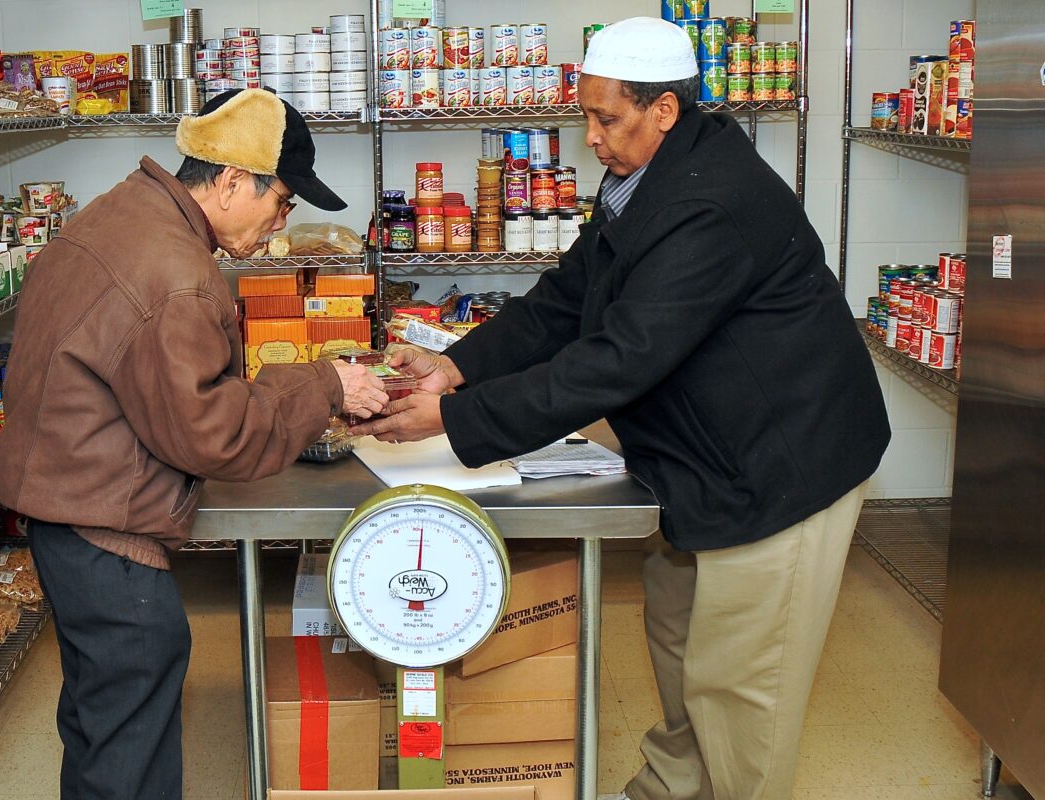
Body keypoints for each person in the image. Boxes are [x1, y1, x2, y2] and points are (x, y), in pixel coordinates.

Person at [352, 17, 891, 800]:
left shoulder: (710, 205)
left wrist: (455, 422)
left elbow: (618, 360)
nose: (592, 138)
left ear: (665, 111)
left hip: (782, 465)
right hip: (701, 457)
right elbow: (567, 303)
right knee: (678, 641)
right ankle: (672, 788)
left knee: (743, 683)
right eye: (586, 116)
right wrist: (455, 369)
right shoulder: (641, 179)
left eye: (607, 119)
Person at [0, 88, 386, 799]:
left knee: (101, 719)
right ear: (232, 181)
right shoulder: (178, 275)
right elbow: (215, 436)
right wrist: (323, 384)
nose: (281, 223)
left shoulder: (123, 212)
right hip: (104, 527)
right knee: (130, 742)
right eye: (284, 202)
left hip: (61, 505)